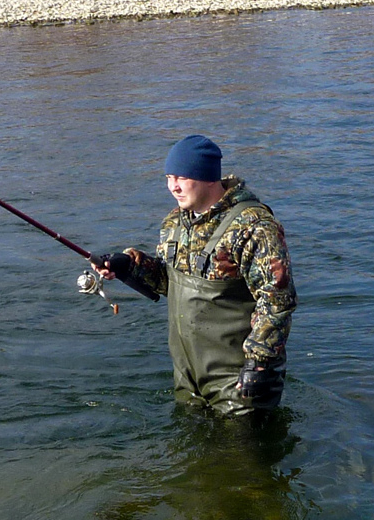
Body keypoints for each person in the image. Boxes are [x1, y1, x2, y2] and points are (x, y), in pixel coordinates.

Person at [96, 135, 296, 416]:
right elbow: (171, 283)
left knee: (242, 458)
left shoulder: (254, 226)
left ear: (208, 177)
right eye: (168, 177)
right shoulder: (174, 223)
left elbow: (277, 302)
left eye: (181, 177)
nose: (172, 186)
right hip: (188, 378)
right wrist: (129, 265)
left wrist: (260, 363)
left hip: (241, 382)